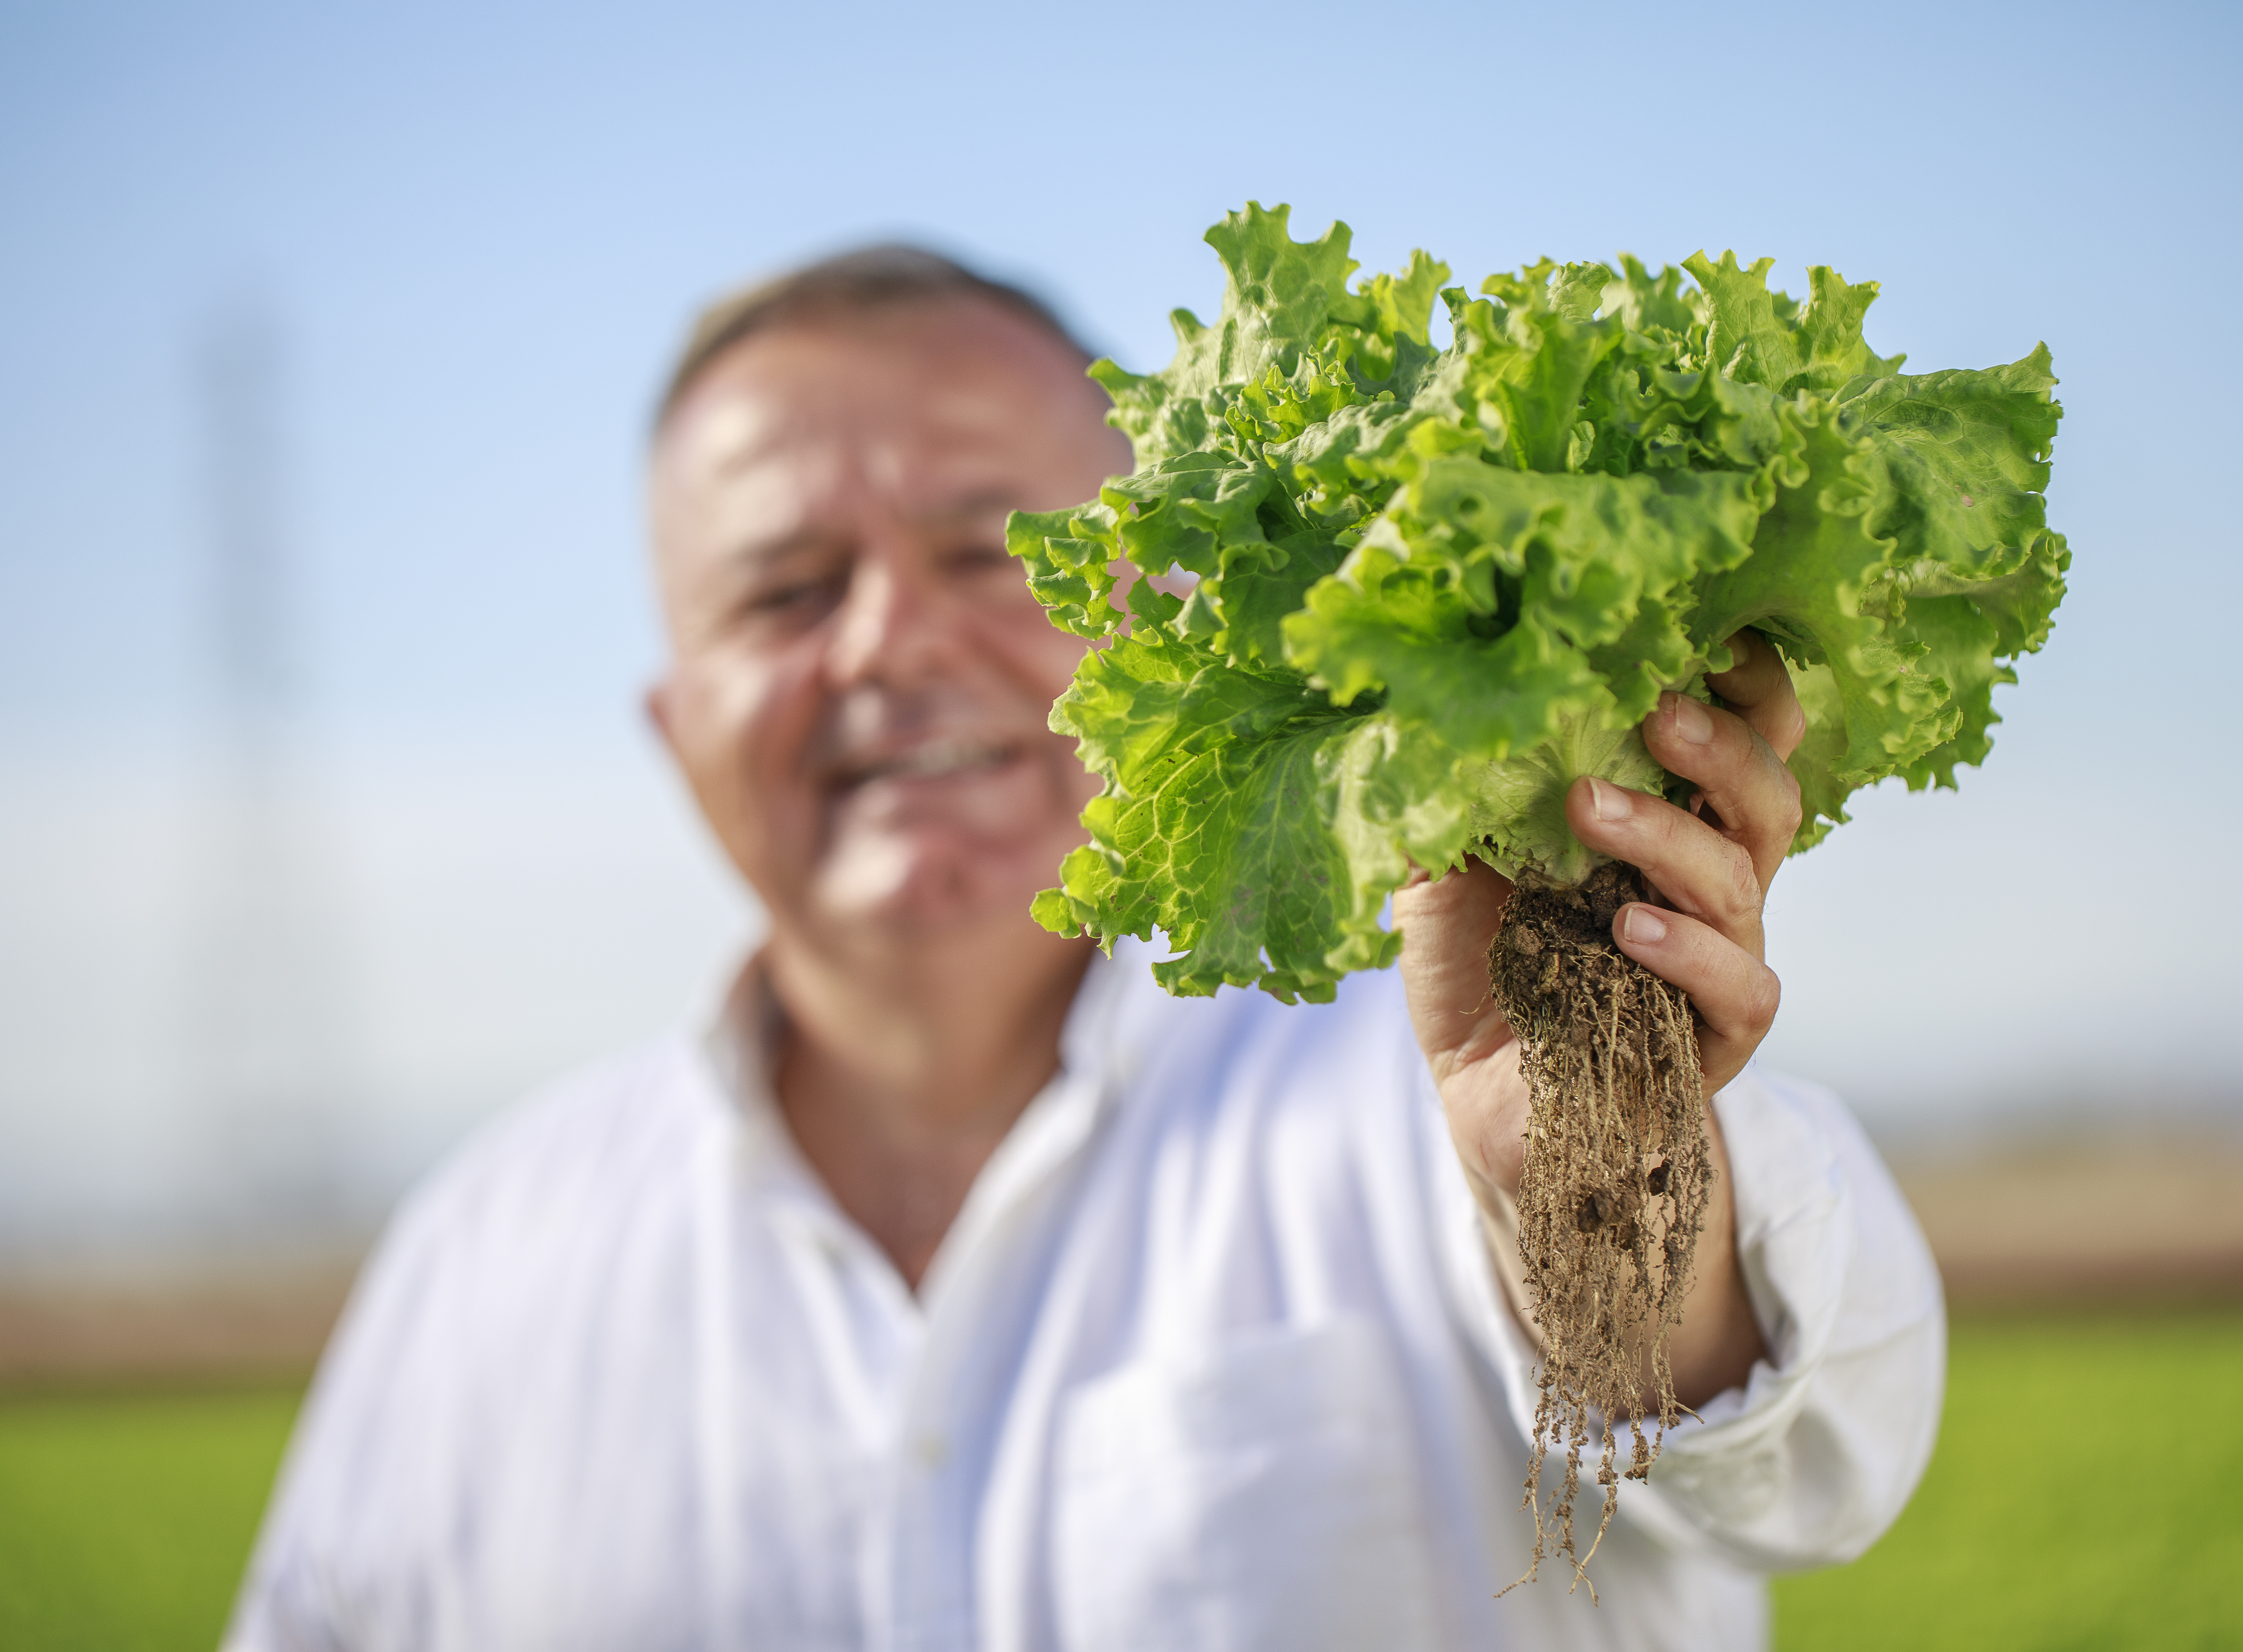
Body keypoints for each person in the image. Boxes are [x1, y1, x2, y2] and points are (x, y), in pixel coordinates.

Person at [227, 246, 1943, 1652]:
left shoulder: (1426, 1083)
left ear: (1175, 611)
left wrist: (1593, 1171)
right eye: (783, 592)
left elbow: (1814, 1469)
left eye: (992, 547)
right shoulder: (485, 1256)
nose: (890, 639)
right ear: (677, 728)